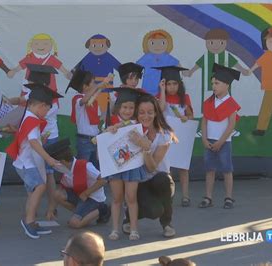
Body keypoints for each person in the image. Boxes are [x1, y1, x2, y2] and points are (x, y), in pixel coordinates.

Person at [6, 83, 63, 239]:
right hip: (27, 163)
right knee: (40, 187)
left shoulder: (29, 117)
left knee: (34, 191)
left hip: (25, 162)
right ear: (40, 106)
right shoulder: (32, 120)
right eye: (47, 109)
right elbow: (33, 143)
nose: (47, 112)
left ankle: (31, 221)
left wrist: (41, 138)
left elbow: (31, 140)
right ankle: (29, 221)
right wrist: (49, 159)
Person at [123, 93, 177, 238]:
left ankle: (167, 223)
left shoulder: (164, 134)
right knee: (154, 211)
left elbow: (152, 167)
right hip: (140, 181)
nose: (145, 116)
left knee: (163, 180)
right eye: (141, 112)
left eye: (150, 112)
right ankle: (128, 216)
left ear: (156, 113)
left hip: (159, 179)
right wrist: (111, 130)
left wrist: (145, 148)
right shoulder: (131, 130)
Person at [105, 88, 148, 241]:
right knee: (116, 198)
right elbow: (104, 144)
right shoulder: (111, 123)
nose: (127, 111)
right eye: (124, 107)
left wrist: (139, 136)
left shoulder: (139, 124)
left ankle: (134, 229)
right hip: (115, 167)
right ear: (118, 108)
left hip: (133, 165)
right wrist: (109, 131)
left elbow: (145, 143)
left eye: (131, 107)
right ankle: (115, 229)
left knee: (131, 197)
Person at [199, 64, 241, 209]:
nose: (214, 86)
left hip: (224, 142)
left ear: (226, 85)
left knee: (227, 170)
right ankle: (208, 197)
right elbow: (204, 121)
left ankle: (228, 197)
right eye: (212, 83)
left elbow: (231, 125)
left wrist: (221, 142)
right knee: (209, 169)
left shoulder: (231, 104)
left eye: (217, 83)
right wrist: (204, 138)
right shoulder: (209, 102)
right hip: (209, 141)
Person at [44, 138, 110, 228]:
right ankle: (82, 214)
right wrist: (51, 209)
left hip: (94, 198)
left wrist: (86, 193)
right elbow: (62, 189)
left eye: (56, 162)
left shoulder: (85, 166)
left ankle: (102, 209)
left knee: (74, 224)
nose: (54, 164)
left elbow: (103, 180)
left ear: (62, 161)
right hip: (80, 196)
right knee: (57, 194)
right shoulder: (63, 167)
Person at [155, 65, 194, 207]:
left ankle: (185, 196)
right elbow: (161, 109)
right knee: (166, 168)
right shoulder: (160, 97)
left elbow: (190, 115)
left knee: (183, 167)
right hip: (165, 136)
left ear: (179, 84)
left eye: (174, 84)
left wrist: (186, 118)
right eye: (168, 84)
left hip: (181, 136)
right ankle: (167, 196)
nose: (171, 87)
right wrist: (162, 90)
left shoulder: (185, 98)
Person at [67, 69, 111, 168]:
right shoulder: (77, 99)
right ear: (85, 86)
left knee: (95, 168)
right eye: (92, 82)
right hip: (84, 140)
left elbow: (98, 117)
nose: (94, 84)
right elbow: (84, 100)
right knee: (83, 168)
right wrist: (97, 87)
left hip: (95, 139)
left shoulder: (93, 100)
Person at [73, 34, 121, 114]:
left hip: (105, 88)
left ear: (107, 46)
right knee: (90, 110)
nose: (98, 48)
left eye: (102, 45)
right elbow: (77, 70)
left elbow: (120, 68)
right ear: (89, 46)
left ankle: (104, 122)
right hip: (89, 89)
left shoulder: (109, 57)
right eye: (94, 45)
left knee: (105, 110)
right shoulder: (87, 57)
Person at [136, 29, 181, 95]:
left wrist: (185, 72)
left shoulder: (167, 57)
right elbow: (137, 66)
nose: (157, 46)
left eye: (162, 43)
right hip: (148, 86)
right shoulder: (147, 57)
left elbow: (177, 64)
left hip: (163, 87)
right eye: (152, 43)